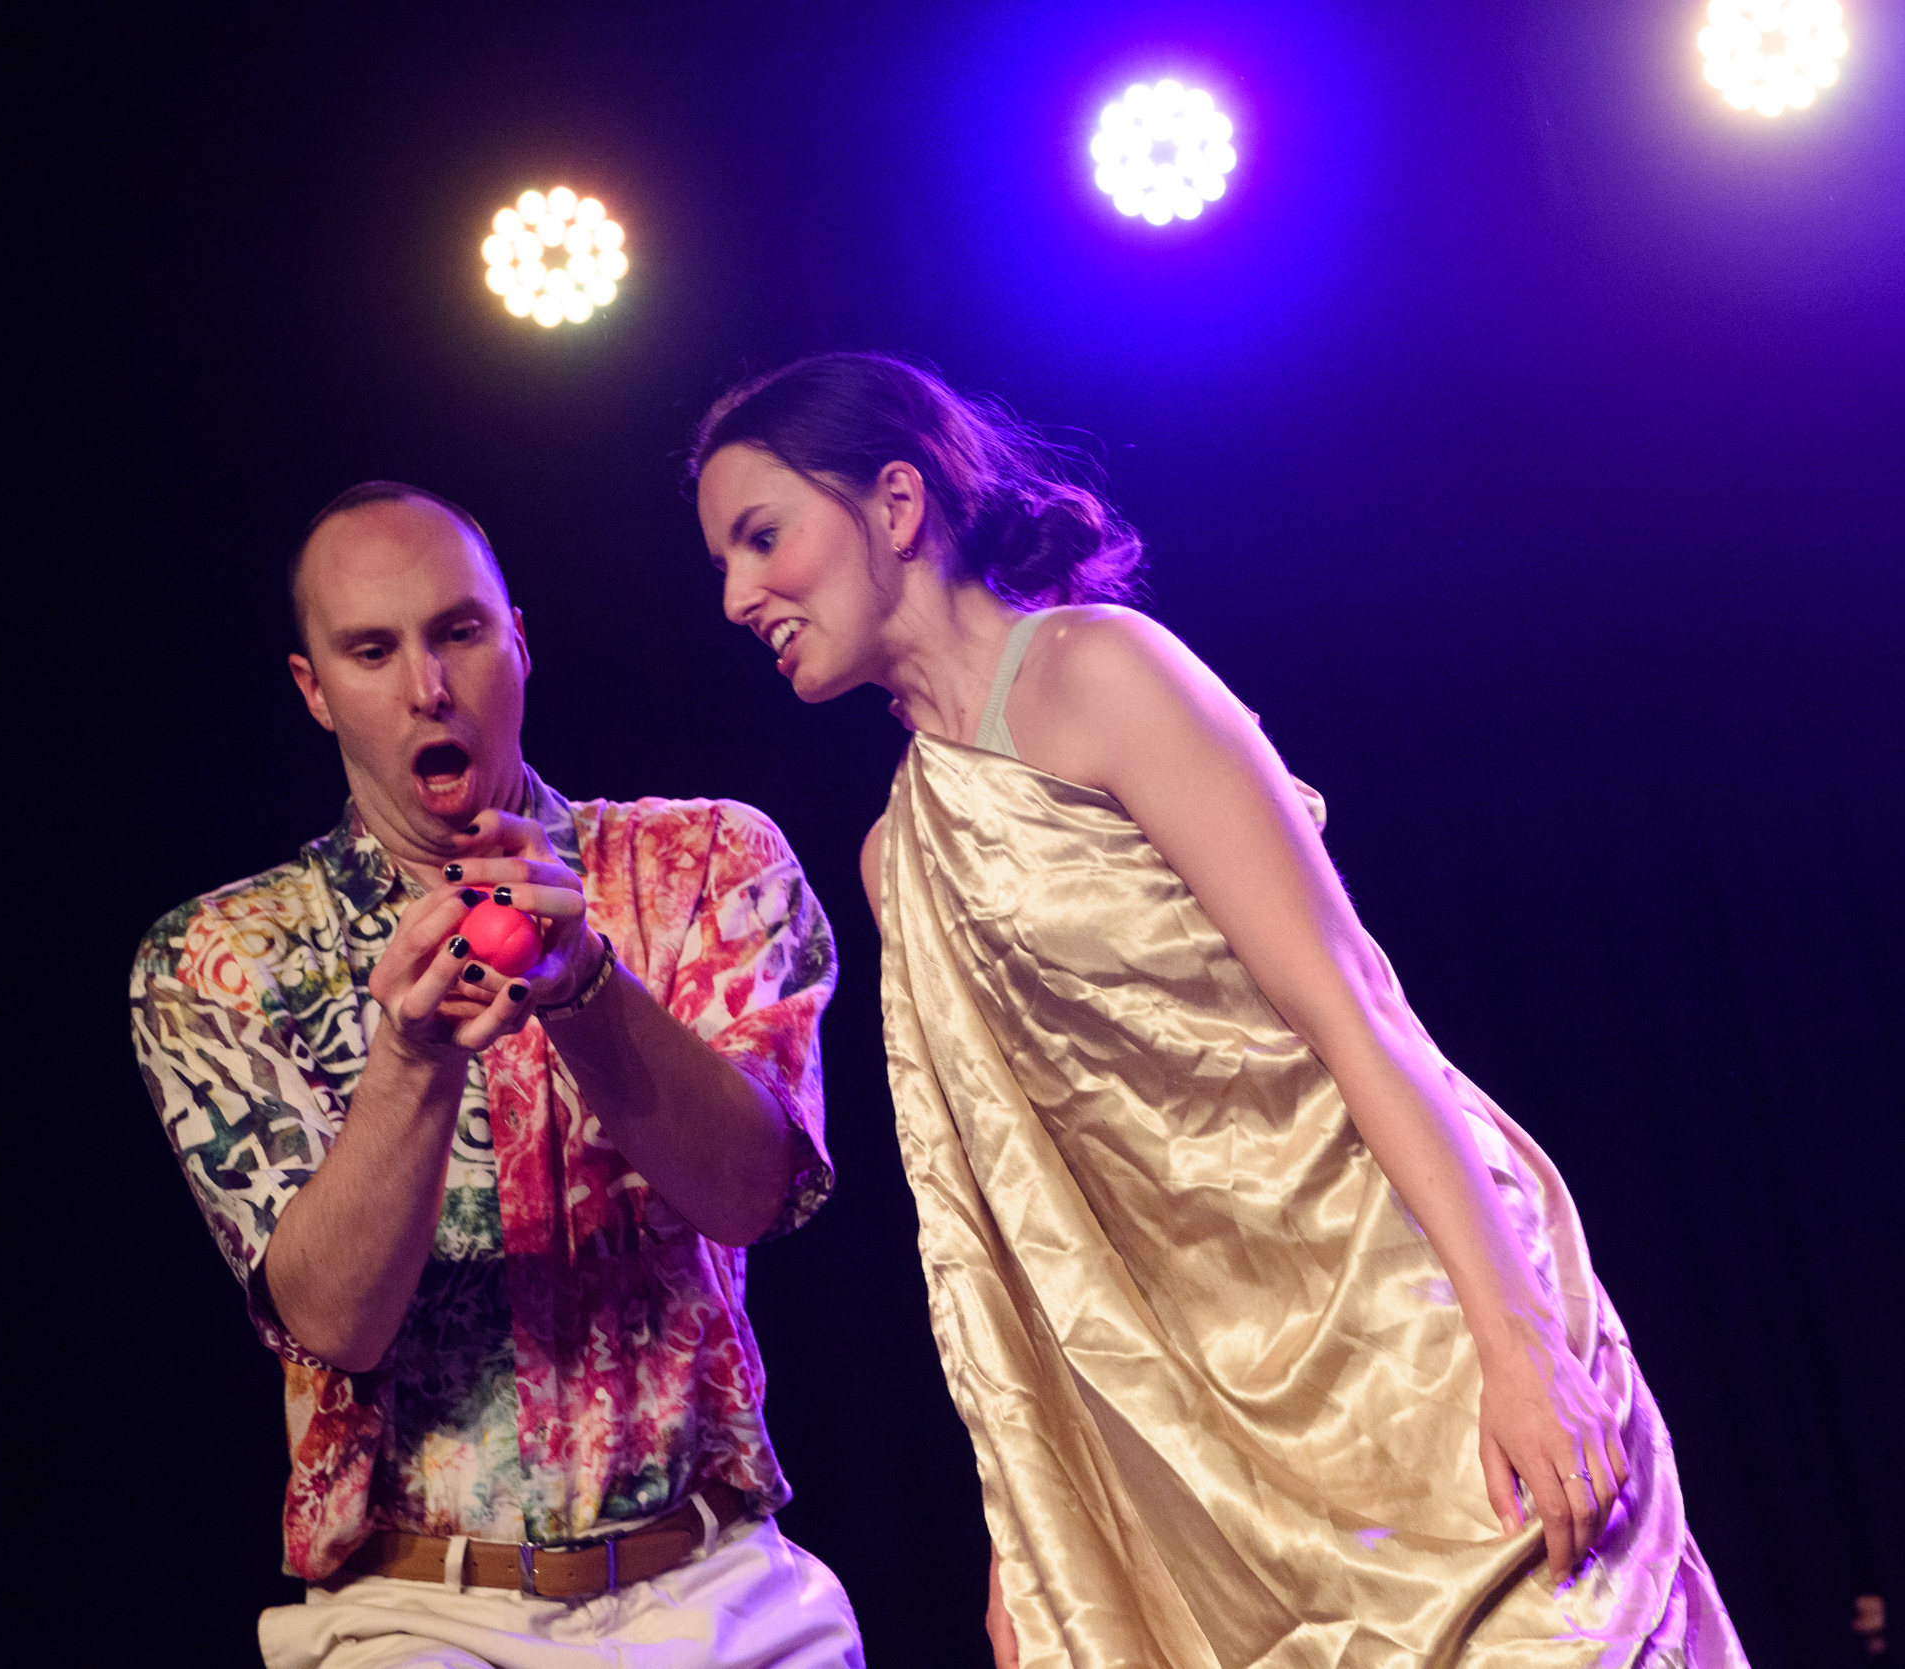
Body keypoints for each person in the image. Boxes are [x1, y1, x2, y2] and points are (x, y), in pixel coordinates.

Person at [692, 355, 1747, 1668]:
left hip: (1419, 1328)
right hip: (1218, 1447)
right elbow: (1006, 1228)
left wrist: (1519, 1338)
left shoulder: (1098, 673)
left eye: (763, 537)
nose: (737, 596)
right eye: (722, 561)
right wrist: (1033, 1533)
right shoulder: (894, 855)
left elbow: (1352, 1003)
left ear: (896, 504)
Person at [130, 482, 865, 1669]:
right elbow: (331, 1324)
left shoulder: (705, 860)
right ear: (314, 690)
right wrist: (411, 1060)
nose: (428, 686)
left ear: (518, 640)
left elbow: (752, 1194)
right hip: (417, 1611)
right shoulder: (221, 956)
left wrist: (587, 985)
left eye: (459, 631)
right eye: (372, 651)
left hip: (717, 1585)